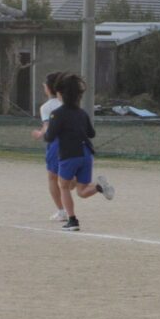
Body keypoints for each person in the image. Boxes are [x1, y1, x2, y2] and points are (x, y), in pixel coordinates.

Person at [43, 72, 114, 231]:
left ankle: (72, 220)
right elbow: (91, 134)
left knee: (64, 187)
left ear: (60, 94)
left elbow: (49, 137)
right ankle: (98, 187)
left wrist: (47, 128)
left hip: (69, 155)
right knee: (82, 191)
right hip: (86, 153)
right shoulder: (82, 113)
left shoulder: (57, 114)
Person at [31, 72, 68, 221]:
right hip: (73, 142)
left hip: (56, 143)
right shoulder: (68, 103)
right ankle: (93, 186)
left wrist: (40, 134)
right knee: (68, 179)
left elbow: (48, 126)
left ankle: (61, 211)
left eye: (45, 86)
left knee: (53, 178)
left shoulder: (46, 107)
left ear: (49, 88)